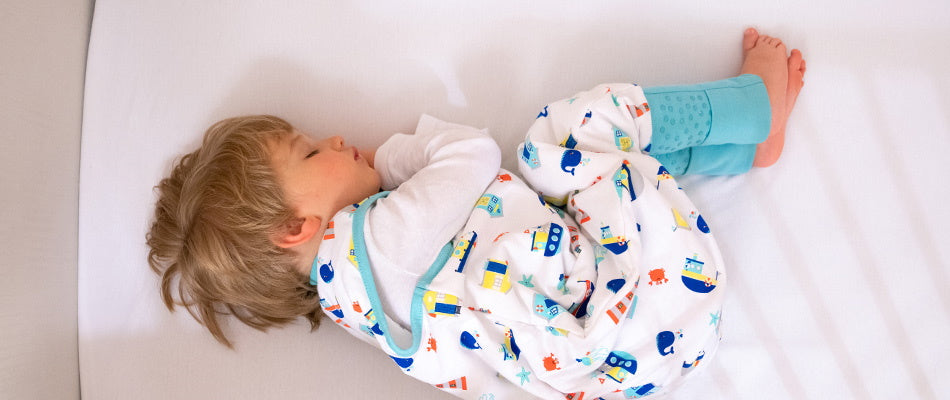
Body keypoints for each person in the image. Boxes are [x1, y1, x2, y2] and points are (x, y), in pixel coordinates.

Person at [147, 28, 805, 399]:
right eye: (314, 151)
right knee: (565, 134)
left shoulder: (360, 304)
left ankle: (741, 149)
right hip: (639, 298)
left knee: (571, 173)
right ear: (295, 227)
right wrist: (400, 156)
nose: (341, 141)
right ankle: (751, 109)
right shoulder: (381, 240)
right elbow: (472, 156)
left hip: (630, 370)